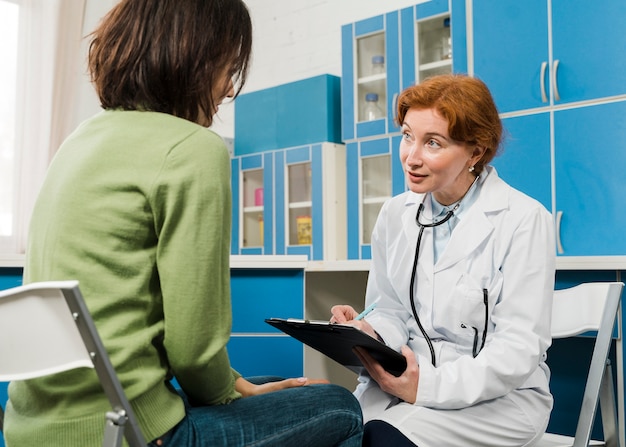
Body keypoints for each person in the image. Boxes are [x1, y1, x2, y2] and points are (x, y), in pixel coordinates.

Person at [3, 1, 363, 446]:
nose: (228, 88)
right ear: (196, 60)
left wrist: (230, 385)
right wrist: (222, 390)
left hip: (32, 428)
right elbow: (193, 351)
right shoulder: (193, 149)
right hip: (125, 430)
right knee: (340, 406)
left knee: (265, 381)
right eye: (228, 67)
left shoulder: (78, 141)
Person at [331, 74, 555, 447]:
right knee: (332, 429)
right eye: (407, 136)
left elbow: (518, 348)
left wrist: (428, 386)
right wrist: (368, 331)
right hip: (404, 384)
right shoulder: (394, 214)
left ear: (475, 152)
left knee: (381, 440)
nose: (411, 157)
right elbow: (389, 310)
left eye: (432, 143)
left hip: (496, 401)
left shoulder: (523, 219)